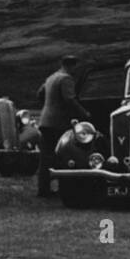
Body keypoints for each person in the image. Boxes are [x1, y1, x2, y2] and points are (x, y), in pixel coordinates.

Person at [35, 54, 92, 198]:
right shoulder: (66, 79)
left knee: (45, 156)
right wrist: (84, 113)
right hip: (58, 123)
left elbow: (39, 93)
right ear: (72, 66)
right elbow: (70, 99)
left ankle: (43, 188)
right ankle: (62, 186)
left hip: (45, 121)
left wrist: (47, 107)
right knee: (63, 153)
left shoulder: (52, 77)